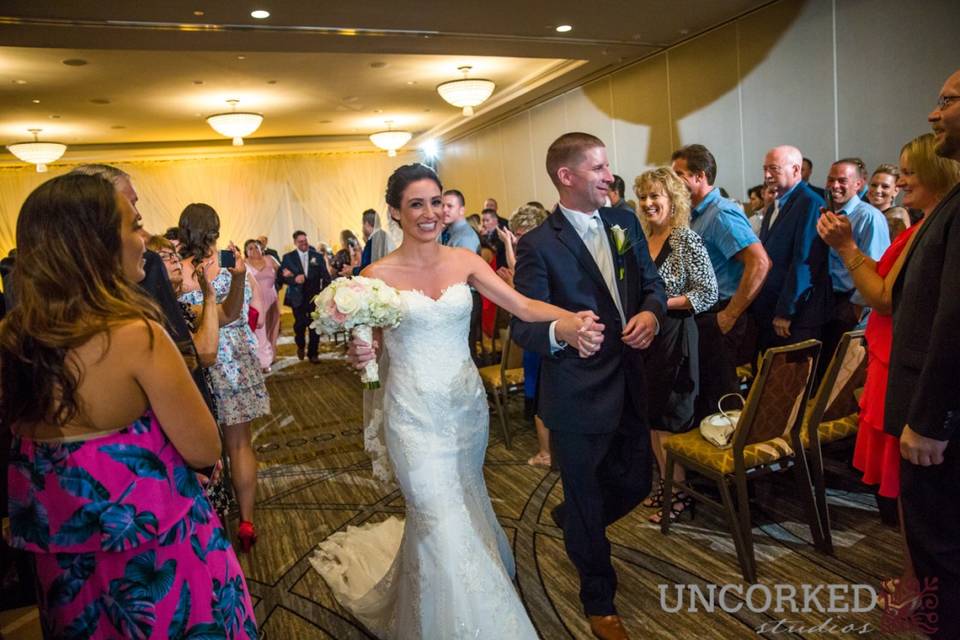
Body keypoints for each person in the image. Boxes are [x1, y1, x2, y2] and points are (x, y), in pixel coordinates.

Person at [313, 163, 602, 639]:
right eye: (416, 204)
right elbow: (373, 345)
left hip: (465, 411)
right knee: (435, 513)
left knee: (463, 501)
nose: (429, 213)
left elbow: (523, 306)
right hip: (410, 415)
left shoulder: (465, 262)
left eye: (435, 202)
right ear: (396, 212)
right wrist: (361, 349)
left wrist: (569, 321)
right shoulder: (374, 275)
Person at [2, 173, 256, 638]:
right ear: (95, 242)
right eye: (135, 225)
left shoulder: (15, 338)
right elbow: (203, 447)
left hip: (65, 567)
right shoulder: (136, 336)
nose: (146, 239)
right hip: (154, 556)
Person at [511, 132, 667, 640]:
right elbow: (523, 324)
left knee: (638, 482)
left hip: (630, 379)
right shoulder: (538, 245)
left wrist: (650, 311)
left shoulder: (623, 222)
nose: (608, 175)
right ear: (567, 176)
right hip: (577, 392)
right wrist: (563, 331)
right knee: (585, 500)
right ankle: (599, 602)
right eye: (598, 167)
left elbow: (652, 283)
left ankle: (576, 521)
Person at [817, 132, 960, 617]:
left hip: (905, 366)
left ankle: (919, 587)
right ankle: (916, 578)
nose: (899, 181)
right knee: (910, 495)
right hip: (889, 361)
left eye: (909, 172)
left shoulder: (930, 226)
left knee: (914, 494)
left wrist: (845, 246)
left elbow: (882, 297)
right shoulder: (923, 224)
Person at [883, 73, 960, 639]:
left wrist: (931, 419)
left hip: (941, 423)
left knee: (944, 553)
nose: (934, 115)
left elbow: (955, 320)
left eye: (948, 101)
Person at [178, 203, 270, 552]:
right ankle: (246, 521)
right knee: (240, 445)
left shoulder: (178, 272)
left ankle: (207, 524)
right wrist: (239, 277)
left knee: (199, 449)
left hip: (195, 361)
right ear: (216, 230)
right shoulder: (233, 266)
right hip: (235, 360)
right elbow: (241, 315)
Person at [633, 168, 717, 524]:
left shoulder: (685, 239)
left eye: (656, 196)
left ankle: (680, 494)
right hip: (645, 339)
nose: (649, 203)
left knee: (669, 418)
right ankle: (666, 487)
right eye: (644, 197)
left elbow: (709, 293)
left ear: (673, 200)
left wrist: (658, 304)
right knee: (652, 418)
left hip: (675, 337)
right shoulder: (640, 240)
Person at [670, 144, 769, 423]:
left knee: (722, 399)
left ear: (699, 176)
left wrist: (730, 315)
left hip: (720, 313)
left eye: (679, 174)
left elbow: (759, 263)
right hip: (704, 313)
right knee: (707, 394)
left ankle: (730, 461)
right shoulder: (696, 213)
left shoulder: (721, 213)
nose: (672, 181)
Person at [753, 145, 831, 350]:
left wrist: (787, 311)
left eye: (774, 169)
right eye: (764, 169)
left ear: (796, 170)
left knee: (791, 379)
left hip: (796, 317)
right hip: (770, 309)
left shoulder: (810, 203)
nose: (767, 175)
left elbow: (805, 260)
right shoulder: (777, 203)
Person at [493, 205, 553, 467]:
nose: (517, 241)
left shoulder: (537, 252)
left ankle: (546, 453)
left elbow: (524, 290)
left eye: (519, 235)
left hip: (539, 331)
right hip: (541, 331)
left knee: (542, 395)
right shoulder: (546, 248)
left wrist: (510, 287)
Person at [819, 158, 890, 379]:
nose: (835, 185)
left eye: (842, 180)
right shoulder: (829, 215)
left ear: (859, 184)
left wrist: (857, 307)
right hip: (830, 301)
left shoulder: (869, 217)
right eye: (831, 179)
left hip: (852, 304)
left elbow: (876, 266)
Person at [279, 230, 331, 362]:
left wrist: (323, 294)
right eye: (301, 241)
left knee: (315, 326)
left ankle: (313, 353)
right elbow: (281, 277)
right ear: (295, 243)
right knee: (300, 326)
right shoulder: (288, 258)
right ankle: (300, 345)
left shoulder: (317, 257)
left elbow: (326, 277)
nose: (304, 244)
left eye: (305, 241)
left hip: (314, 298)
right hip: (297, 298)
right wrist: (294, 280)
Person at [245, 238, 281, 372]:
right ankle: (263, 362)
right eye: (250, 248)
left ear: (262, 248)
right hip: (256, 301)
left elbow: (282, 274)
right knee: (260, 332)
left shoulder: (270, 259)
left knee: (272, 329)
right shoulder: (244, 263)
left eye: (256, 247)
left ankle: (270, 357)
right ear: (246, 252)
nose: (254, 250)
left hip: (272, 299)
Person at [867, 164, 911, 241]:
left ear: (896, 191)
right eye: (874, 185)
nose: (877, 190)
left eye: (885, 186)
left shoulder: (896, 217)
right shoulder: (866, 213)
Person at [356, 209, 395, 273]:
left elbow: (366, 268)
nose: (362, 228)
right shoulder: (385, 236)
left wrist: (352, 270)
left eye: (362, 224)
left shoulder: (373, 241)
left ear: (366, 224)